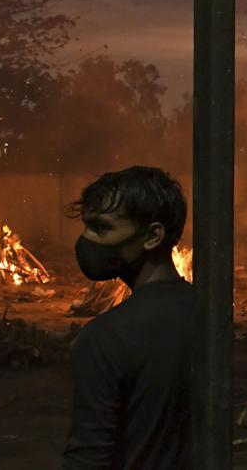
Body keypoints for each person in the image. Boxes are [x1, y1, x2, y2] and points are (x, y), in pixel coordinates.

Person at [62, 166, 192, 470]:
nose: (86, 240)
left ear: (152, 236)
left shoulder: (106, 338)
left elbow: (89, 457)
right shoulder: (208, 314)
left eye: (102, 228)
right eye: (86, 227)